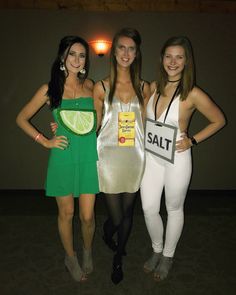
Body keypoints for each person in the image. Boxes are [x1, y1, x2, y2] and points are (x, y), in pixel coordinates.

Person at [140, 36, 226, 282]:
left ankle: (167, 255)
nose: (173, 61)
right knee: (148, 208)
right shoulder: (154, 87)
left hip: (177, 157)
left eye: (179, 57)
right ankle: (156, 249)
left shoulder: (193, 93)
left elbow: (219, 120)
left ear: (187, 61)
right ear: (162, 59)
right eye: (168, 56)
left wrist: (193, 140)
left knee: (174, 208)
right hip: (152, 155)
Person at [16, 36, 99, 282]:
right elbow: (21, 118)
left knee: (87, 216)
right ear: (62, 57)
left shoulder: (91, 86)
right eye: (72, 54)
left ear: (85, 61)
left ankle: (87, 250)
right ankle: (70, 257)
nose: (77, 59)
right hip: (63, 156)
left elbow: (96, 119)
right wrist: (45, 140)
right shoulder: (49, 88)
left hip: (87, 156)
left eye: (82, 55)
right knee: (67, 213)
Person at [93, 27, 150, 284]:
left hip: (135, 155)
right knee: (116, 216)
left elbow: (149, 123)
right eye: (121, 47)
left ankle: (118, 257)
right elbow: (93, 125)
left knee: (128, 211)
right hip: (108, 157)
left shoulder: (144, 86)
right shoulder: (101, 86)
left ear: (137, 53)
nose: (126, 53)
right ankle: (108, 230)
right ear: (114, 51)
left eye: (131, 49)